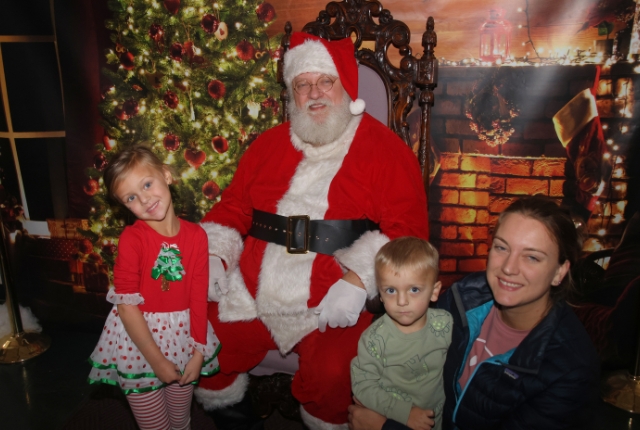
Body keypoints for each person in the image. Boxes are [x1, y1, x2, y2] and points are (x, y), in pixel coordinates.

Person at [195, 32, 430, 429]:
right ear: (292, 93)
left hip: (330, 297)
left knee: (334, 375)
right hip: (253, 293)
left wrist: (359, 280)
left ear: (346, 87)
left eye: (325, 81)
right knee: (202, 341)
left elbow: (409, 234)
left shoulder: (385, 149)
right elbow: (233, 207)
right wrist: (215, 255)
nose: (314, 93)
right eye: (303, 84)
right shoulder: (266, 146)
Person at [348, 195, 600, 430]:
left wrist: (385, 427)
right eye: (502, 248)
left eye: (532, 257)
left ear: (559, 271)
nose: (509, 268)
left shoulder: (569, 369)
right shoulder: (464, 297)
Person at [87, 145, 220, 430]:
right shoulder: (132, 239)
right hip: (140, 344)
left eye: (147, 184)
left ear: (166, 175)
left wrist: (198, 353)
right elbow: (127, 306)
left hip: (184, 339)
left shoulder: (197, 235)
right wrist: (156, 360)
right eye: (131, 197)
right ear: (125, 205)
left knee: (181, 421)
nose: (144, 199)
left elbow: (198, 297)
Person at [351, 237, 452, 430]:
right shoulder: (374, 339)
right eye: (391, 290)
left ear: (434, 291)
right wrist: (404, 413)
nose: (402, 301)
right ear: (380, 295)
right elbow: (363, 385)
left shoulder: (446, 324)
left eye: (414, 289)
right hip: (391, 419)